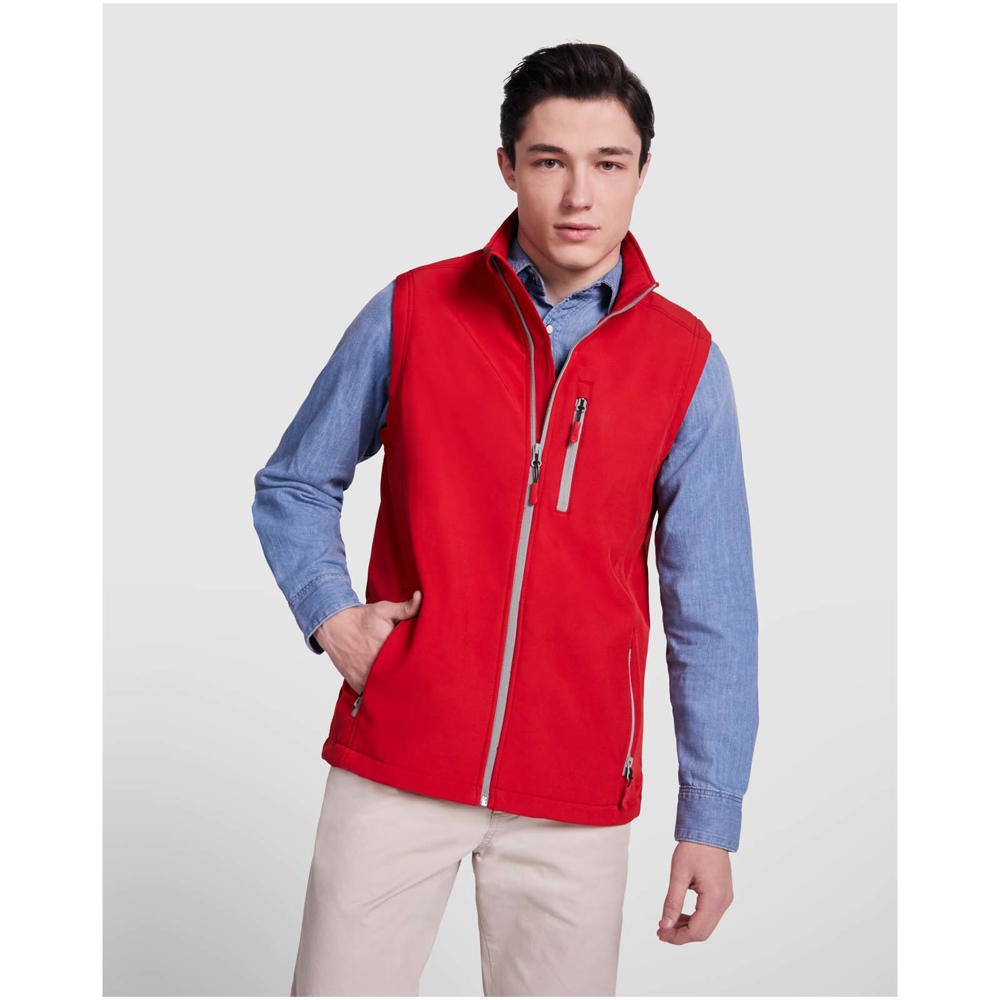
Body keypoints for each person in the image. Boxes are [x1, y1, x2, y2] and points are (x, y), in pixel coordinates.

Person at [251, 41, 758, 997]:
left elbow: (714, 609)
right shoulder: (415, 310)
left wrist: (711, 818)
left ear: (642, 173)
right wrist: (335, 617)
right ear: (507, 166)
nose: (579, 195)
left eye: (608, 164)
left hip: (576, 796)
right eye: (550, 161)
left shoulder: (686, 363)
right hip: (398, 758)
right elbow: (294, 483)